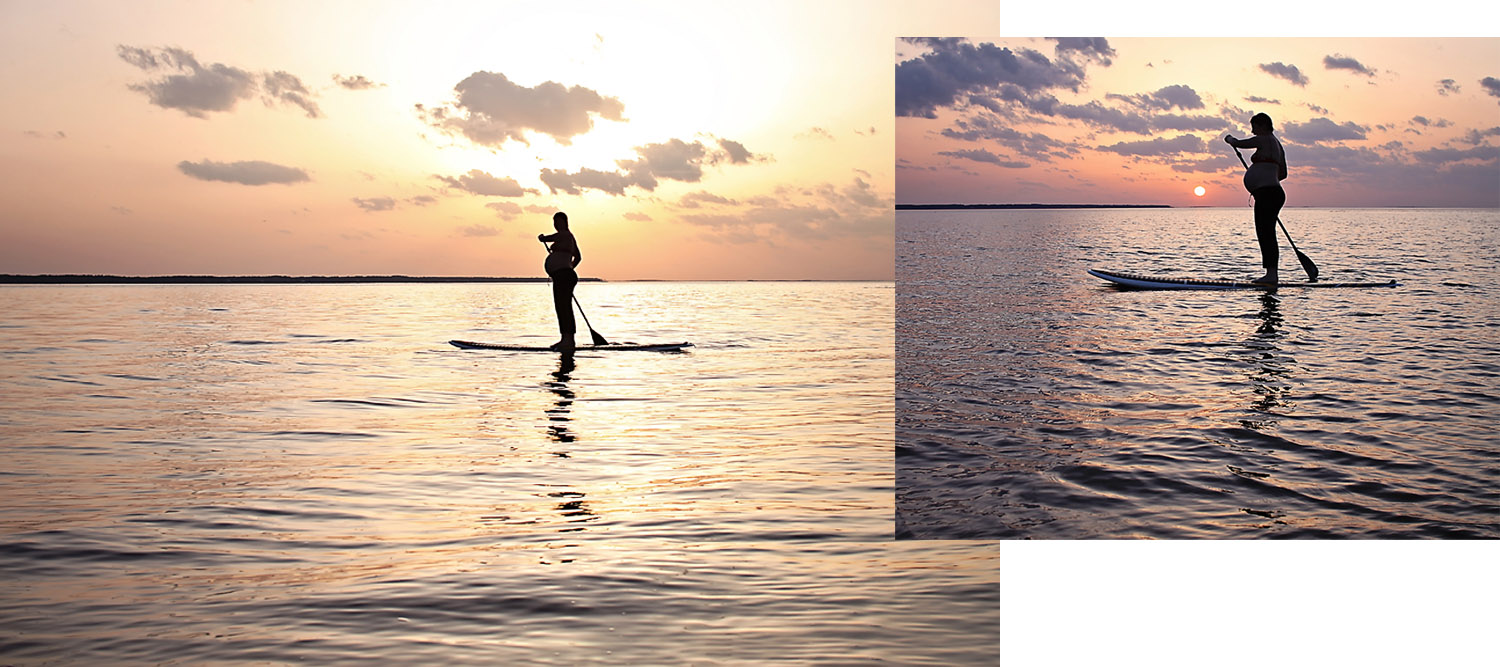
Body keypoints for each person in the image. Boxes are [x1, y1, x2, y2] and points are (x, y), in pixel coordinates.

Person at [1225, 113, 1288, 284]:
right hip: (1273, 192)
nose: (1253, 131)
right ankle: (1271, 273)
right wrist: (1264, 175)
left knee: (1265, 234)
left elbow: (1239, 143)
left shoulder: (1265, 139)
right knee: (1267, 233)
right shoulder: (1278, 145)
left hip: (1268, 194)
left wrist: (1229, 138)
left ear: (1262, 126)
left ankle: (1271, 275)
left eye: (1254, 127)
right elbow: (1283, 174)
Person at [538, 211, 581, 351]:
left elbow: (548, 238)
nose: (556, 224)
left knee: (564, 307)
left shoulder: (566, 235)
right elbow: (578, 257)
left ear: (565, 222)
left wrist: (542, 237)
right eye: (554, 222)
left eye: (558, 221)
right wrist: (567, 267)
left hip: (564, 276)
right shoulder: (569, 239)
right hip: (563, 275)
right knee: (561, 307)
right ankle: (565, 339)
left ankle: (568, 340)